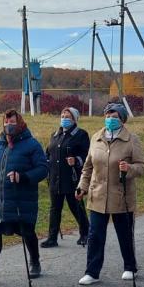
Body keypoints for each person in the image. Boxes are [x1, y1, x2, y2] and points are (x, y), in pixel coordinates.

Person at [74, 101, 144, 285]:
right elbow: (88, 167)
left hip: (122, 196)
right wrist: (82, 187)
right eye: (108, 116)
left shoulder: (132, 139)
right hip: (97, 194)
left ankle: (130, 267)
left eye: (114, 117)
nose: (110, 119)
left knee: (124, 234)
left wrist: (129, 168)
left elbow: (141, 167)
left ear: (122, 120)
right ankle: (92, 271)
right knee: (95, 235)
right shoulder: (96, 138)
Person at [0, 109, 48, 285]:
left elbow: (43, 169)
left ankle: (35, 262)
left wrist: (23, 177)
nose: (9, 125)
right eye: (6, 122)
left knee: (27, 232)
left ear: (20, 123)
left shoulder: (32, 144)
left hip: (22, 199)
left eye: (12, 122)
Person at [41, 106, 90, 248]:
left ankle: (86, 233)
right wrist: (46, 166)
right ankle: (52, 238)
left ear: (74, 119)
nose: (64, 119)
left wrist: (76, 160)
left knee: (76, 207)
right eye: (62, 116)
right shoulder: (55, 135)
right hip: (55, 178)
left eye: (68, 117)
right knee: (54, 208)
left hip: (72, 178)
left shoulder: (81, 134)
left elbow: (87, 155)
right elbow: (48, 153)